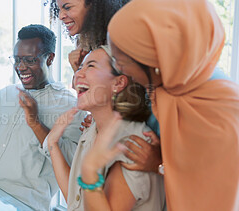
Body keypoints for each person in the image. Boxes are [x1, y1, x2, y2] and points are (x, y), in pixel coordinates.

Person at [100, 0, 239, 210]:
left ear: (155, 60)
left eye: (122, 62)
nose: (120, 70)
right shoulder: (168, 88)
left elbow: (212, 195)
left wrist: (161, 164)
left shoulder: (220, 111)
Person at [0, 24, 86, 211]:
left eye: (29, 60)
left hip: (15, 204)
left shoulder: (70, 107)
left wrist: (36, 123)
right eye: (17, 60)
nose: (21, 67)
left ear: (50, 58)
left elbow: (73, 162)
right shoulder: (8, 92)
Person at [49, 0, 162, 175]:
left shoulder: (126, 41)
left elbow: (136, 95)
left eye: (68, 7)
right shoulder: (88, 43)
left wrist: (160, 163)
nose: (61, 15)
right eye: (59, 9)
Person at [47, 46, 165, 210]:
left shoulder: (133, 145)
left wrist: (90, 171)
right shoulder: (92, 130)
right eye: (80, 67)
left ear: (118, 83)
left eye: (91, 66)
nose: (77, 74)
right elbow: (76, 203)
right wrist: (52, 143)